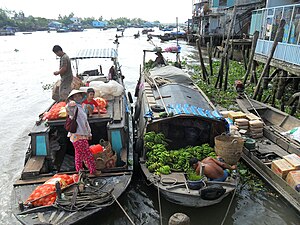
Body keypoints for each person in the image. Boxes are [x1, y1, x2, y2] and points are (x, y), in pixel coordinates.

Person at [66, 90, 101, 177]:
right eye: (75, 96)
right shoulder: (74, 107)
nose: (78, 98)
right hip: (78, 136)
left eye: (79, 96)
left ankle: (80, 171)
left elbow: (85, 122)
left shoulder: (81, 106)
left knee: (78, 155)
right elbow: (68, 109)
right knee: (87, 154)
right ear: (72, 98)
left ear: (82, 97)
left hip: (81, 135)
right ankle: (93, 171)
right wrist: (70, 104)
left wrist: (89, 134)